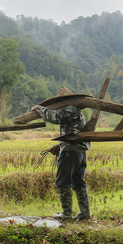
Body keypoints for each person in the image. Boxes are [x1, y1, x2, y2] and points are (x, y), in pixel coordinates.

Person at [31, 87, 91, 220]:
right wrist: (59, 146)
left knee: (63, 181)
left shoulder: (70, 109)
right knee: (78, 181)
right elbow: (73, 132)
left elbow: (54, 117)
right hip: (79, 151)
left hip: (70, 152)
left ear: (64, 101)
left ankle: (66, 214)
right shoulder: (79, 112)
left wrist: (39, 109)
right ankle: (85, 213)